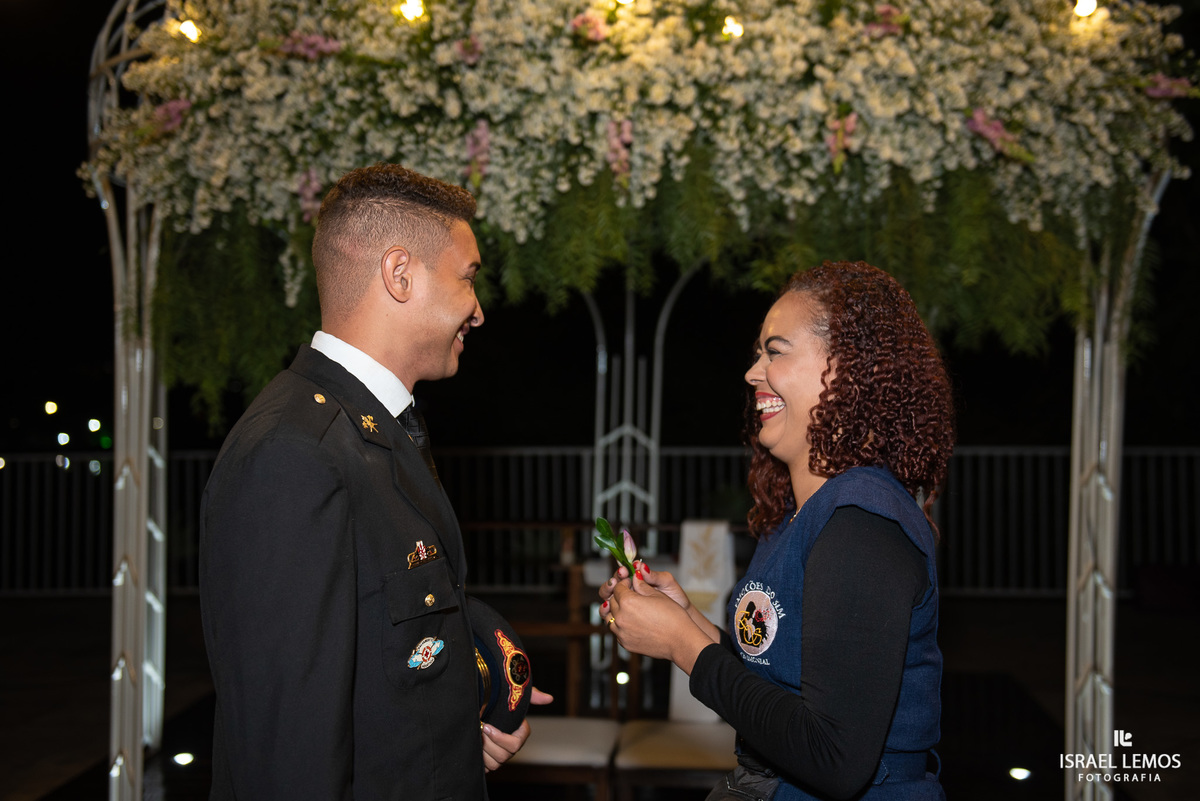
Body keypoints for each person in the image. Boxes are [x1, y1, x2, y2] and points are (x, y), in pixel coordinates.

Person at [200, 163, 548, 800]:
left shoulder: (371, 429)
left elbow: (378, 646)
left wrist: (462, 708)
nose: (478, 310)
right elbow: (289, 756)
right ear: (400, 274)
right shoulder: (293, 453)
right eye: (468, 277)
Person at [602, 261, 954, 800]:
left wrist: (682, 646)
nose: (752, 372)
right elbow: (778, 687)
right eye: (758, 353)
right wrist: (686, 620)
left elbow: (835, 758)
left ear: (846, 368)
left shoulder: (861, 524)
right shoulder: (800, 513)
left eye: (775, 352)